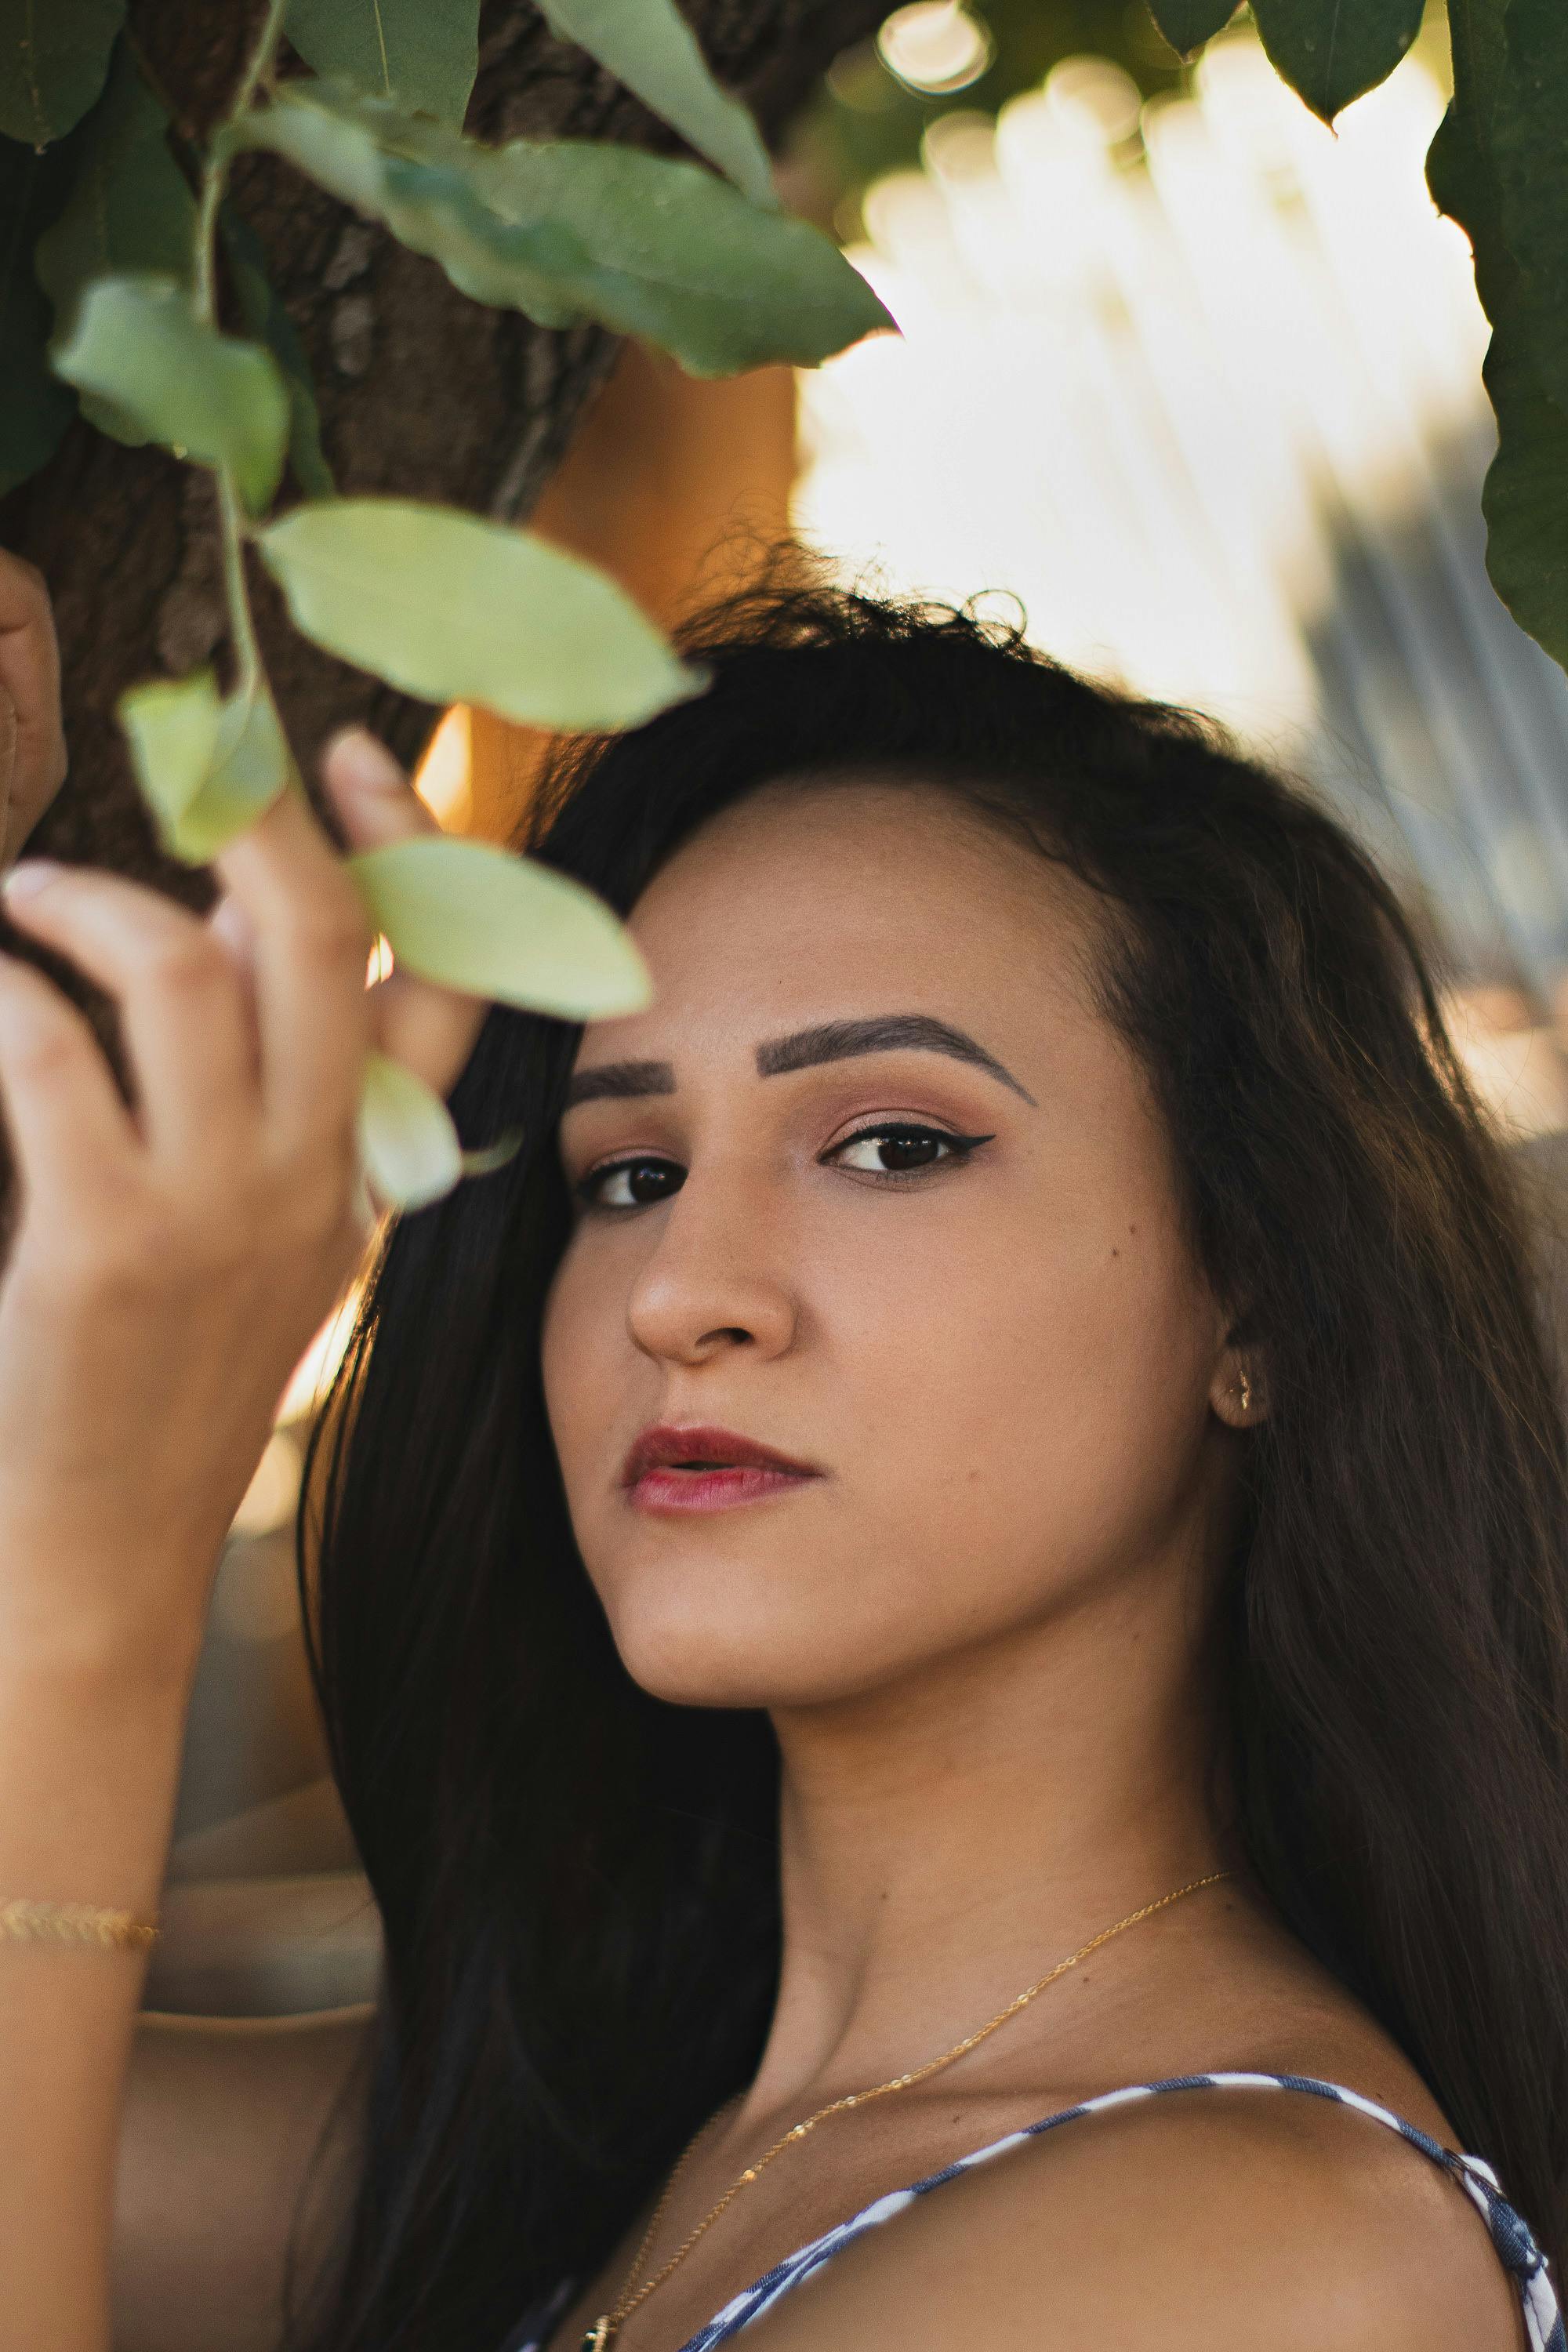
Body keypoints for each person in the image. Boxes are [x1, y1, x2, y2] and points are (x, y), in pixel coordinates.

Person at [0, 550, 1563, 2352]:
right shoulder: (578, 2148)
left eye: (893, 1144)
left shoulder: (1263, 2257)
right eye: (628, 1173)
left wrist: (100, 1579)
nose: (683, 1292)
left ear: (1258, 1305)